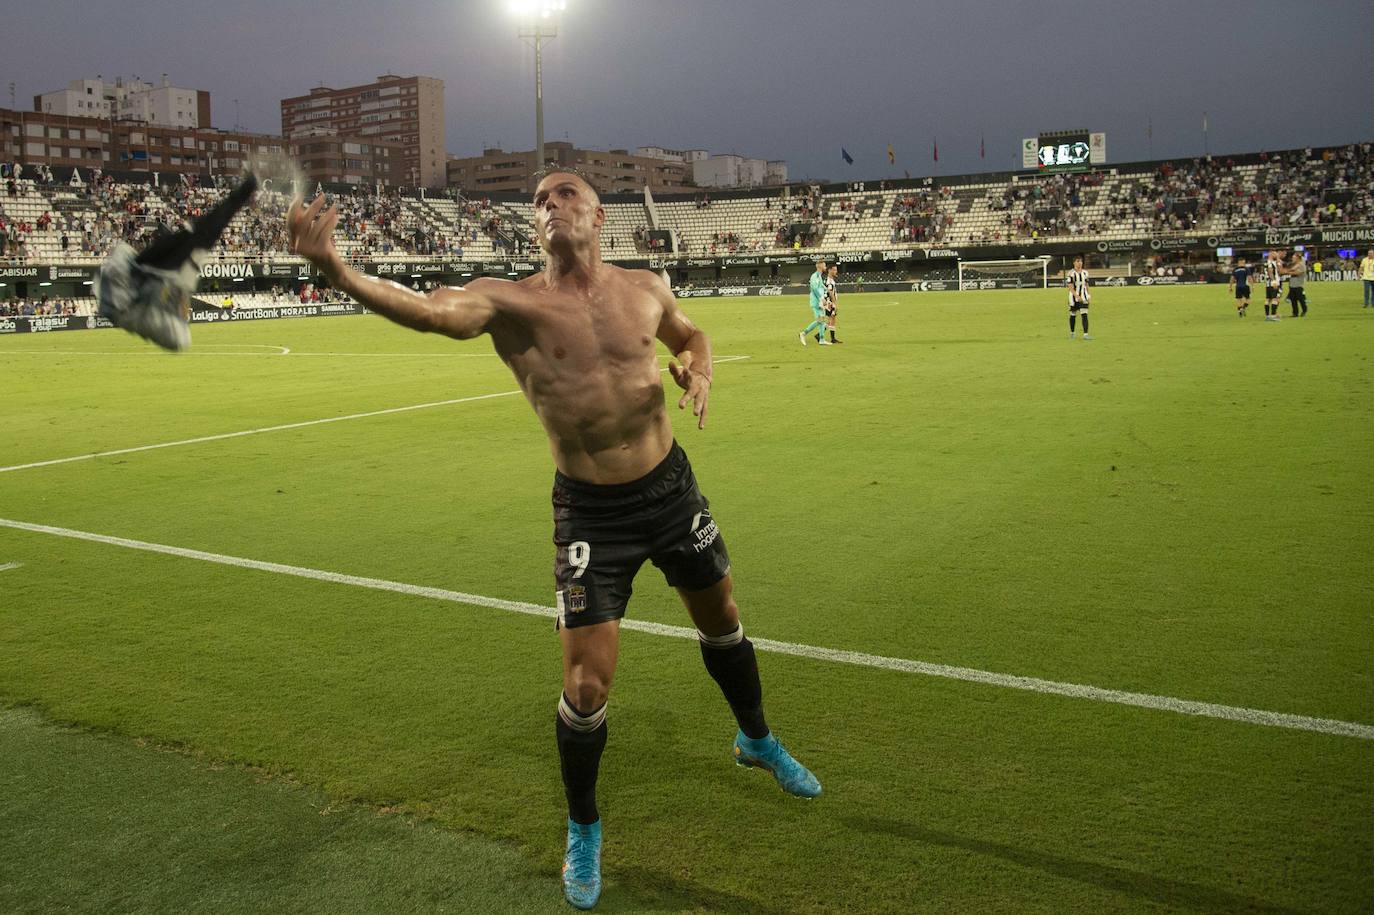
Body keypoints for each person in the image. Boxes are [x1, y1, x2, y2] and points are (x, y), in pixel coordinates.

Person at [286, 168, 819, 912]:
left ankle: (756, 738)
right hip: (591, 514)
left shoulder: (643, 286)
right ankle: (584, 825)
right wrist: (337, 269)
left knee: (723, 617)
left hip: (670, 489)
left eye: (564, 193)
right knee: (585, 687)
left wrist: (701, 366)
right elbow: (433, 310)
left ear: (599, 213)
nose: (550, 205)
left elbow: (690, 332)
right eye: (538, 200)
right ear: (533, 227)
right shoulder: (512, 302)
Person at [799, 258, 831, 345]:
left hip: (820, 301)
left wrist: (826, 289)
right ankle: (803, 333)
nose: (825, 267)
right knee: (820, 320)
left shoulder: (819, 275)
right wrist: (822, 298)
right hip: (817, 301)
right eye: (824, 265)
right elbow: (814, 288)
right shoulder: (815, 276)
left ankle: (821, 339)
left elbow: (820, 285)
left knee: (822, 321)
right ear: (820, 266)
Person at [1066, 255, 1091, 339]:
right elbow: (1070, 286)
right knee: (1073, 314)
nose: (1079, 263)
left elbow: (1087, 285)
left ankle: (1086, 334)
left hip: (1083, 296)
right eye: (1077, 261)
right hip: (1073, 297)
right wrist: (1076, 295)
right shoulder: (1071, 273)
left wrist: (1088, 295)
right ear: (1074, 263)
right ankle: (1072, 333)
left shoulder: (1085, 273)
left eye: (1080, 261)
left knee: (1084, 314)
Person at [1261, 249, 1284, 321]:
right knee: (1275, 298)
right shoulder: (1270, 262)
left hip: (1268, 283)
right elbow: (1270, 272)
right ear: (1271, 254)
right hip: (1273, 282)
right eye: (1275, 253)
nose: (1276, 254)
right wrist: (1274, 281)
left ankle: (1268, 315)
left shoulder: (1266, 262)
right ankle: (1273, 316)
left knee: (1268, 299)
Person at [1285, 250, 1308, 318]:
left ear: (1297, 258)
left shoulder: (1302, 265)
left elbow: (1298, 273)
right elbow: (1290, 270)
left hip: (1298, 285)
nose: (1292, 259)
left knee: (1301, 299)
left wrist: (1288, 272)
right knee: (1293, 300)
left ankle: (1304, 310)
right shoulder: (1294, 264)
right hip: (1292, 284)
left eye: (1293, 258)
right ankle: (1295, 313)